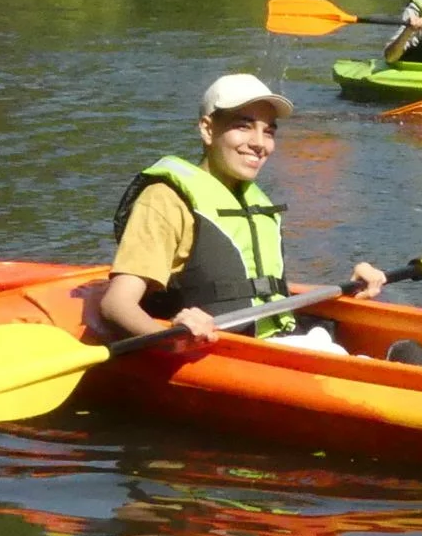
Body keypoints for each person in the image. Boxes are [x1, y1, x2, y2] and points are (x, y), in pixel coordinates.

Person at [100, 74, 385, 354]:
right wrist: (171, 338)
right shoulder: (167, 199)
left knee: (396, 349)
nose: (260, 143)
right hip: (220, 352)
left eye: (269, 131)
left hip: (280, 341)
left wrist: (348, 287)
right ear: (208, 129)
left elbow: (261, 290)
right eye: (243, 126)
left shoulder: (255, 202)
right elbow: (116, 305)